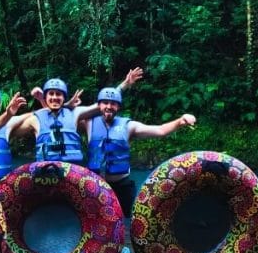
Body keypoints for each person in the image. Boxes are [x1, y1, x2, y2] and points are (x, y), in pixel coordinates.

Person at [79, 83, 196, 216]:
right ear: (98, 105)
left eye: (113, 103)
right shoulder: (88, 123)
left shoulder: (129, 126)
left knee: (128, 222)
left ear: (118, 106)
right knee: (95, 220)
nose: (109, 107)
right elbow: (63, 114)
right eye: (105, 103)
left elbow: (160, 130)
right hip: (95, 185)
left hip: (121, 186)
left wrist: (180, 121)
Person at [15, 68, 144, 164]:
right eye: (51, 94)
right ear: (45, 96)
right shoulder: (35, 119)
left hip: (73, 172)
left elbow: (103, 104)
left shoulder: (75, 113)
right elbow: (12, 130)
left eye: (58, 94)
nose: (55, 97)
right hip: (45, 172)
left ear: (64, 97)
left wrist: (125, 84)